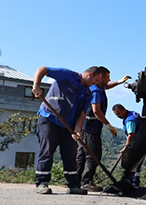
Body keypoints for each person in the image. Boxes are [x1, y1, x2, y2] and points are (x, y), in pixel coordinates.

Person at [31, 66, 108, 195]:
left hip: (68, 126)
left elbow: (82, 114)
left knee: (71, 154)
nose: (96, 83)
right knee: (47, 151)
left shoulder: (88, 94)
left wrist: (77, 129)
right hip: (49, 119)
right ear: (90, 74)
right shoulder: (68, 75)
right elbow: (42, 69)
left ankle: (73, 185)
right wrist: (36, 85)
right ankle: (42, 183)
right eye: (96, 80)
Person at [77, 73, 131, 192]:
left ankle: (75, 181)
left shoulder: (97, 87)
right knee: (94, 154)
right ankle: (86, 182)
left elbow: (107, 86)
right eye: (107, 77)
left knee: (82, 154)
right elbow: (96, 110)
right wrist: (109, 125)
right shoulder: (96, 91)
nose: (109, 79)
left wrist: (119, 82)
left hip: (84, 127)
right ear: (100, 78)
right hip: (91, 128)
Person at [111, 104, 143, 187]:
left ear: (123, 109)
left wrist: (126, 147)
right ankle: (134, 182)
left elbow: (131, 134)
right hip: (141, 142)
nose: (118, 116)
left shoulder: (130, 120)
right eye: (116, 115)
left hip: (137, 143)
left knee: (133, 164)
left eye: (119, 113)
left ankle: (133, 183)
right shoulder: (132, 114)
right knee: (137, 164)